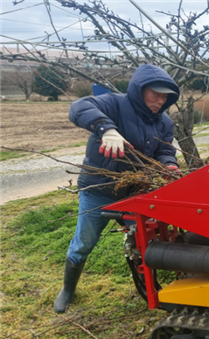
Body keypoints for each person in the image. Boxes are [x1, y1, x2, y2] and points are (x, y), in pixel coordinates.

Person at [54, 64, 181, 313]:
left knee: (144, 242)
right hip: (98, 190)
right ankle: (67, 290)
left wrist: (170, 165)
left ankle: (150, 288)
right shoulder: (114, 104)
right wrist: (106, 129)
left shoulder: (164, 122)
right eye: (156, 93)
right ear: (140, 89)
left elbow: (165, 150)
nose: (161, 100)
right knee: (84, 242)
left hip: (136, 192)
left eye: (166, 96)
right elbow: (78, 107)